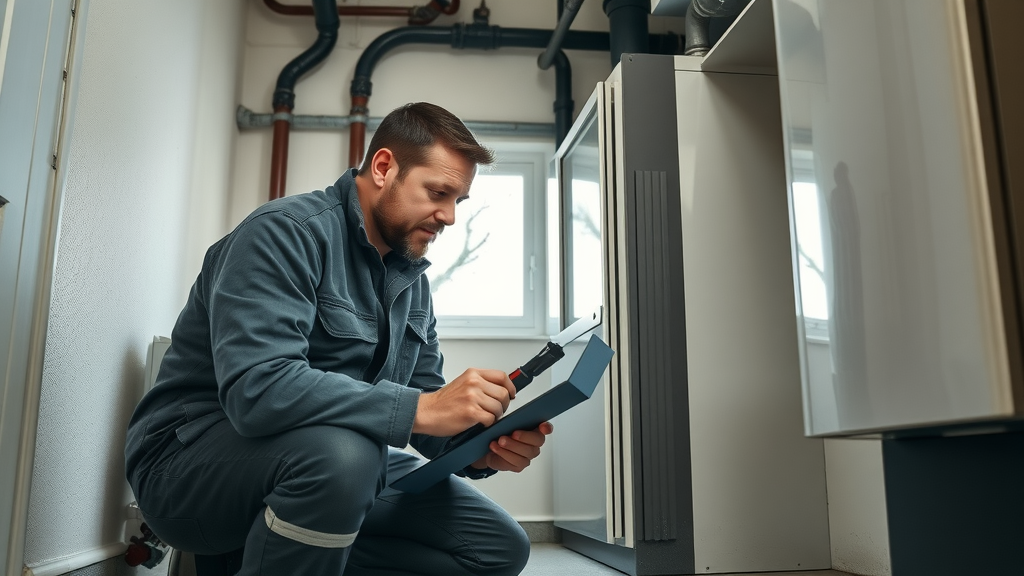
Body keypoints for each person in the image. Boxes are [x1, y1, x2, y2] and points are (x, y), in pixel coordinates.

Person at [124, 102, 552, 576]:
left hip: (335, 467)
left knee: (497, 547)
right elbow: (257, 391)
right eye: (438, 192)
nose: (449, 216)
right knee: (348, 456)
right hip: (190, 465)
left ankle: (273, 554)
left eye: (458, 201)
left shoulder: (412, 281)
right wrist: (421, 408)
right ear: (384, 167)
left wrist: (482, 446)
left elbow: (429, 411)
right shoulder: (284, 234)